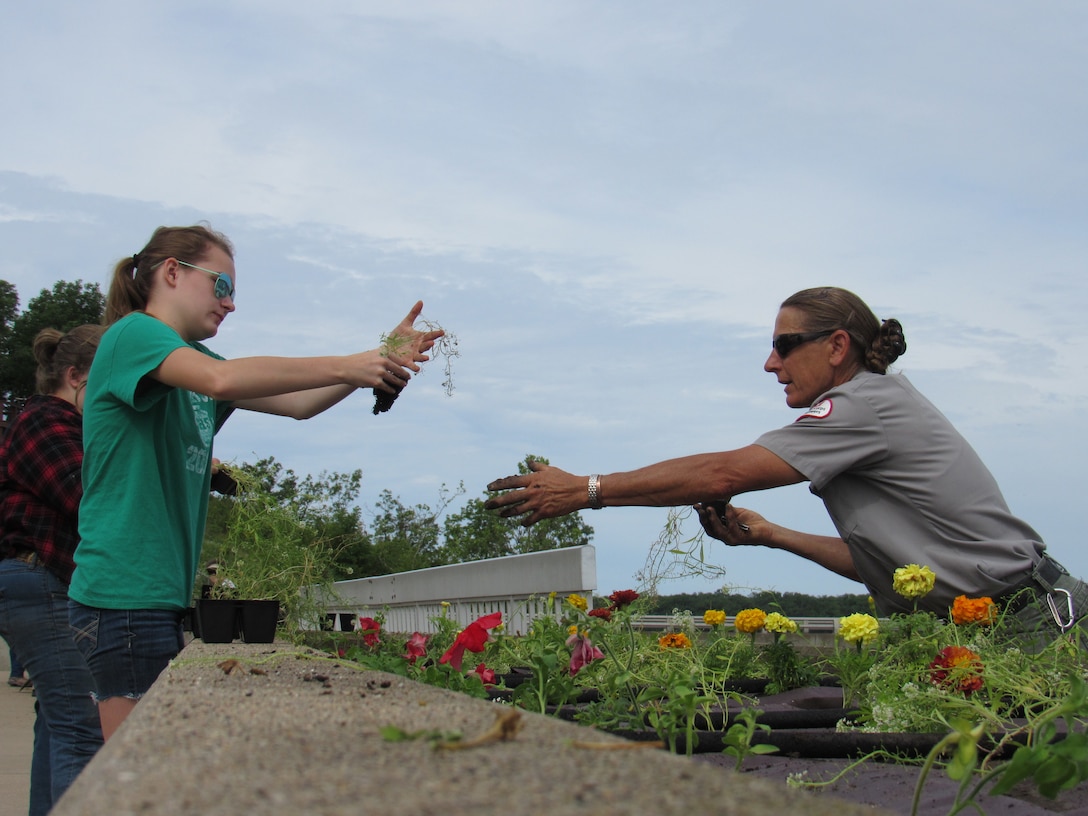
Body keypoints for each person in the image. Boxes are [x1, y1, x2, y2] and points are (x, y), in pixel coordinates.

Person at [484, 286, 1087, 640]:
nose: (771, 364)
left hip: (1039, 627)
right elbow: (897, 569)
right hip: (1004, 626)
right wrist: (771, 536)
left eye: (783, 345)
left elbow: (721, 474)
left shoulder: (862, 406)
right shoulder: (868, 413)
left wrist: (586, 488)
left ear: (837, 346)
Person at [68, 224, 443, 741]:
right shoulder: (134, 335)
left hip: (151, 598)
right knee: (132, 775)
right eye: (222, 286)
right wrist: (354, 365)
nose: (231, 304)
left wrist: (377, 360)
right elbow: (223, 380)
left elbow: (299, 405)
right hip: (122, 596)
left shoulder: (195, 368)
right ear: (172, 273)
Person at [1, 324, 106, 816]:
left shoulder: (59, 422)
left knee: (59, 719)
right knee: (81, 727)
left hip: (41, 580)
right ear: (75, 377)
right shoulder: (46, 421)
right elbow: (84, 496)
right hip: (38, 580)